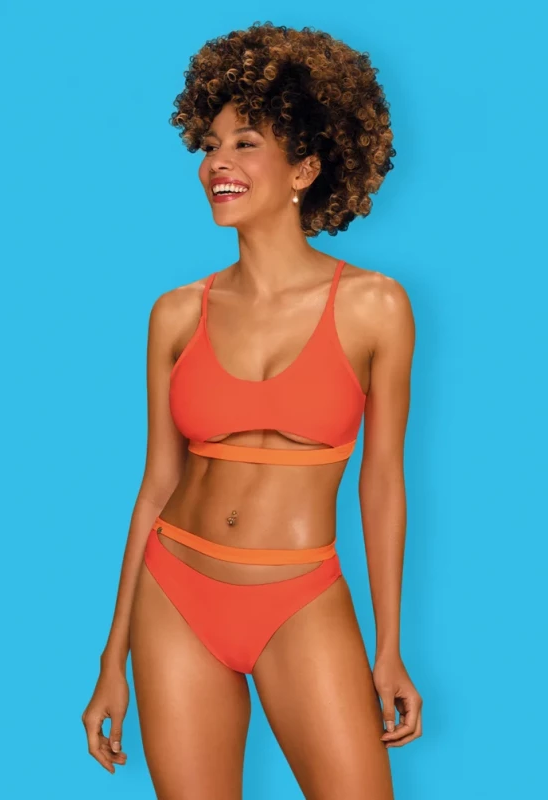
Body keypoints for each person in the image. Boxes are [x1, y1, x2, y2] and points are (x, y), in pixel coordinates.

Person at [82, 21, 422, 799]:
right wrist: (111, 658)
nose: (216, 164)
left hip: (300, 594)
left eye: (244, 143)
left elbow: (381, 483)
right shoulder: (176, 313)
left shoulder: (375, 306)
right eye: (209, 145)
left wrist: (388, 646)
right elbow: (156, 485)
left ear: (304, 166)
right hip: (175, 594)